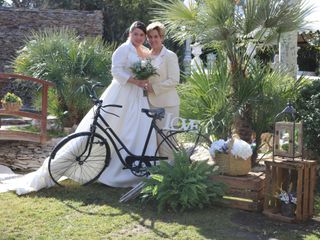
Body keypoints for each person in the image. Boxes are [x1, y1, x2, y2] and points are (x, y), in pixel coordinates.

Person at [0, 21, 158, 194]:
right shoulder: (123, 49)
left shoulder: (142, 51)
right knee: (108, 126)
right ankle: (83, 166)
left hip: (137, 97)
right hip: (122, 93)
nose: (139, 37)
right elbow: (116, 71)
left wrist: (144, 81)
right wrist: (136, 81)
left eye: (141, 35)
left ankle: (133, 167)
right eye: (136, 34)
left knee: (135, 128)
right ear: (130, 34)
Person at [144, 22, 180, 158]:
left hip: (168, 105)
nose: (153, 40)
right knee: (154, 141)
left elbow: (174, 80)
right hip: (149, 104)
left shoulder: (170, 56)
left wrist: (154, 88)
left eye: (156, 37)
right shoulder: (146, 56)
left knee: (167, 141)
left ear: (162, 37)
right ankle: (157, 172)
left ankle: (170, 173)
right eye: (150, 37)